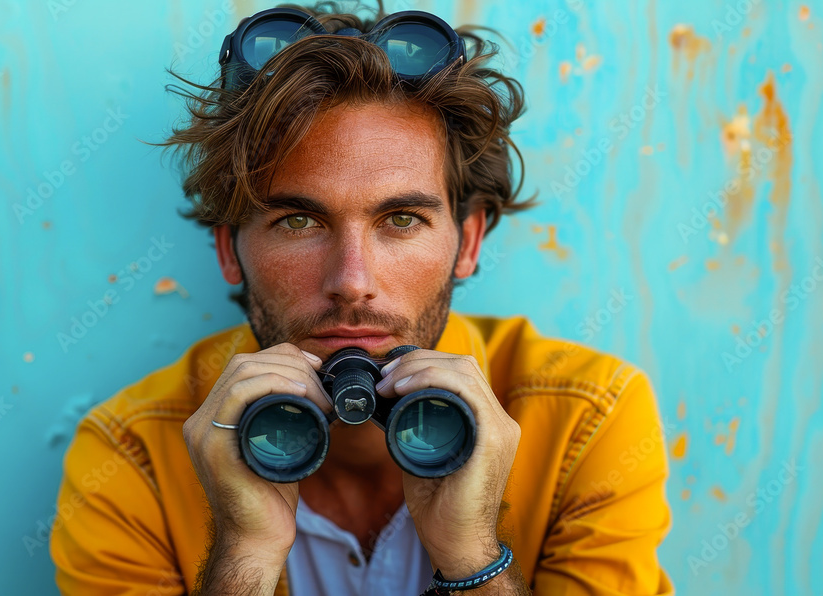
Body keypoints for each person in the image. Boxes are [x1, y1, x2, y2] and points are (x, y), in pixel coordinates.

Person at [50, 2, 674, 594]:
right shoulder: (131, 456)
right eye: (298, 222)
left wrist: (472, 557)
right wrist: (243, 555)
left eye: (401, 220)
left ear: (469, 240)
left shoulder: (586, 421)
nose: (351, 281)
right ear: (227, 250)